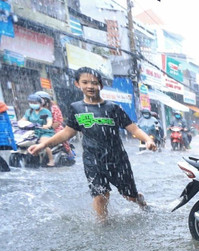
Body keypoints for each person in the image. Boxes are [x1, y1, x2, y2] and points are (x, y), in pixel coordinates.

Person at [28, 67, 156, 221]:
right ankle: (103, 225)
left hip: (117, 158)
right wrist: (43, 145)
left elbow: (133, 129)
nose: (90, 86)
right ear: (77, 84)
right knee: (100, 195)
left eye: (94, 83)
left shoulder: (113, 108)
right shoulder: (76, 108)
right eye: (85, 82)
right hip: (92, 159)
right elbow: (67, 132)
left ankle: (140, 200)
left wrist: (148, 140)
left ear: (100, 85)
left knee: (129, 196)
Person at [35, 90, 73, 158]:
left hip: (54, 128)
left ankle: (69, 151)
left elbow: (58, 121)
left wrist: (49, 128)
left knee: (60, 136)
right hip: (41, 128)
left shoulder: (53, 108)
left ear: (45, 100)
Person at [24, 94, 56, 166]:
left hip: (45, 132)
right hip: (33, 132)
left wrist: (47, 125)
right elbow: (23, 119)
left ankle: (51, 160)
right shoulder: (29, 112)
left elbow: (49, 121)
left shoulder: (46, 111)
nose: (33, 104)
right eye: (31, 102)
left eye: (35, 103)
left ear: (40, 103)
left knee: (43, 143)